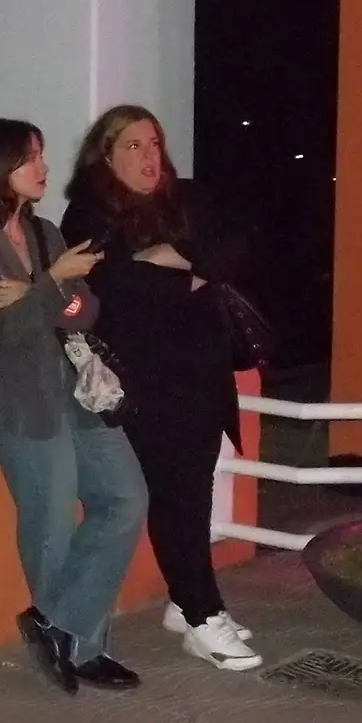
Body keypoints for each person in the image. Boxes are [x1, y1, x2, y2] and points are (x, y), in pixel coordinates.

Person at [0, 118, 149, 695]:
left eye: (41, 155)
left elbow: (86, 310)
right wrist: (52, 285)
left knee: (126, 497)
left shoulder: (45, 232)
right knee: (52, 520)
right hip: (14, 397)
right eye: (30, 158)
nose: (44, 168)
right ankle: (83, 649)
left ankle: (55, 624)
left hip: (72, 387)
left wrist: (40, 291)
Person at [61, 105, 262, 672]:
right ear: (105, 155)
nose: (150, 156)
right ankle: (202, 615)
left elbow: (237, 248)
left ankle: (186, 600)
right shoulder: (89, 214)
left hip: (202, 372)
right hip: (148, 381)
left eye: (154, 143)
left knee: (194, 491)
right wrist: (191, 271)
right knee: (175, 495)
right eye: (133, 146)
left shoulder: (186, 198)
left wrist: (168, 257)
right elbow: (117, 291)